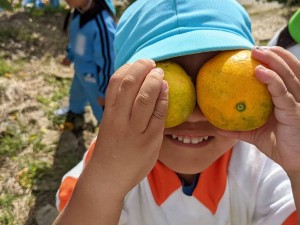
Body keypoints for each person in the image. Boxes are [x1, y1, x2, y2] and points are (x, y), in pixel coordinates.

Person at [53, 0, 300, 224]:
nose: (194, 115)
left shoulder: (265, 169)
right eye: (162, 91)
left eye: (217, 88)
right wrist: (106, 183)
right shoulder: (108, 162)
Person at [61, 0, 116, 130]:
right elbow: (77, 38)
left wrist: (104, 92)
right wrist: (70, 55)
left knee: (101, 109)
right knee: (76, 93)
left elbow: (108, 61)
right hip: (80, 69)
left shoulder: (102, 24)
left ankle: (107, 132)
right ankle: (75, 113)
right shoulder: (79, 11)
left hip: (95, 78)